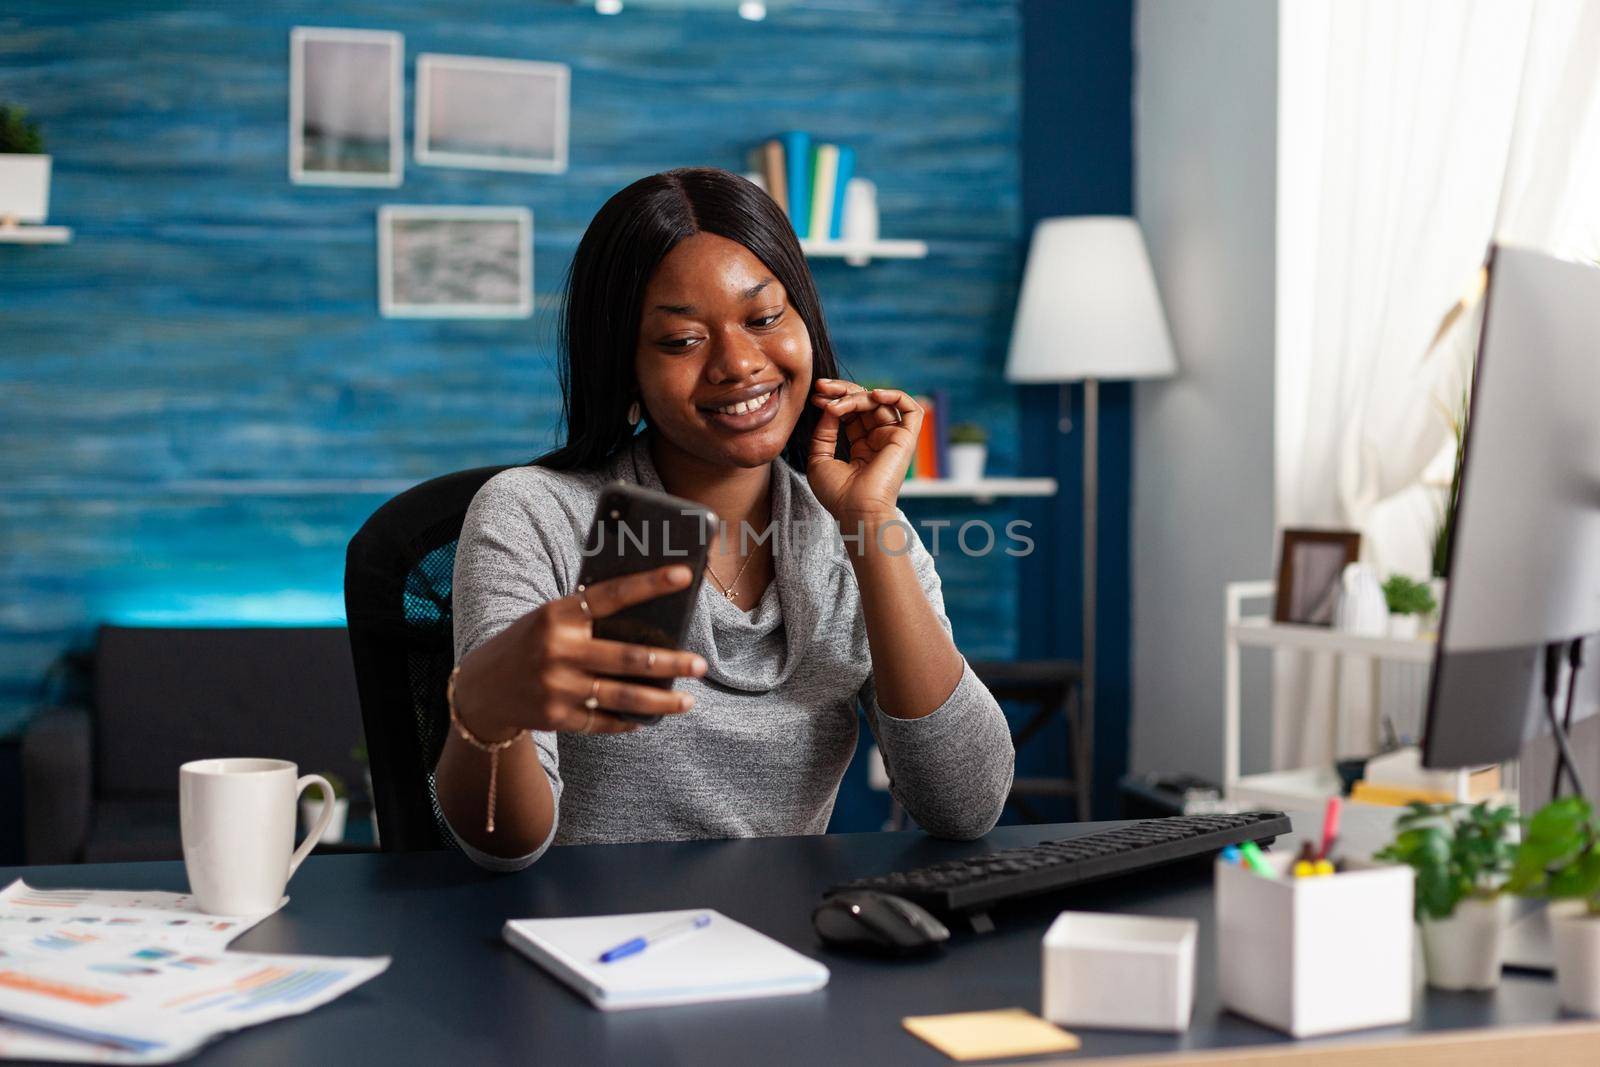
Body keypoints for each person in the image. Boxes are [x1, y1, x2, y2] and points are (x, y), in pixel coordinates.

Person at [436, 167, 1015, 870]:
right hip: (587, 942)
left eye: (765, 317)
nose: (738, 364)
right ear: (625, 368)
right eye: (682, 341)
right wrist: (487, 712)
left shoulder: (854, 529)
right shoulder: (537, 515)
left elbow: (967, 804)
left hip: (784, 945)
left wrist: (869, 522)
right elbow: (504, 849)